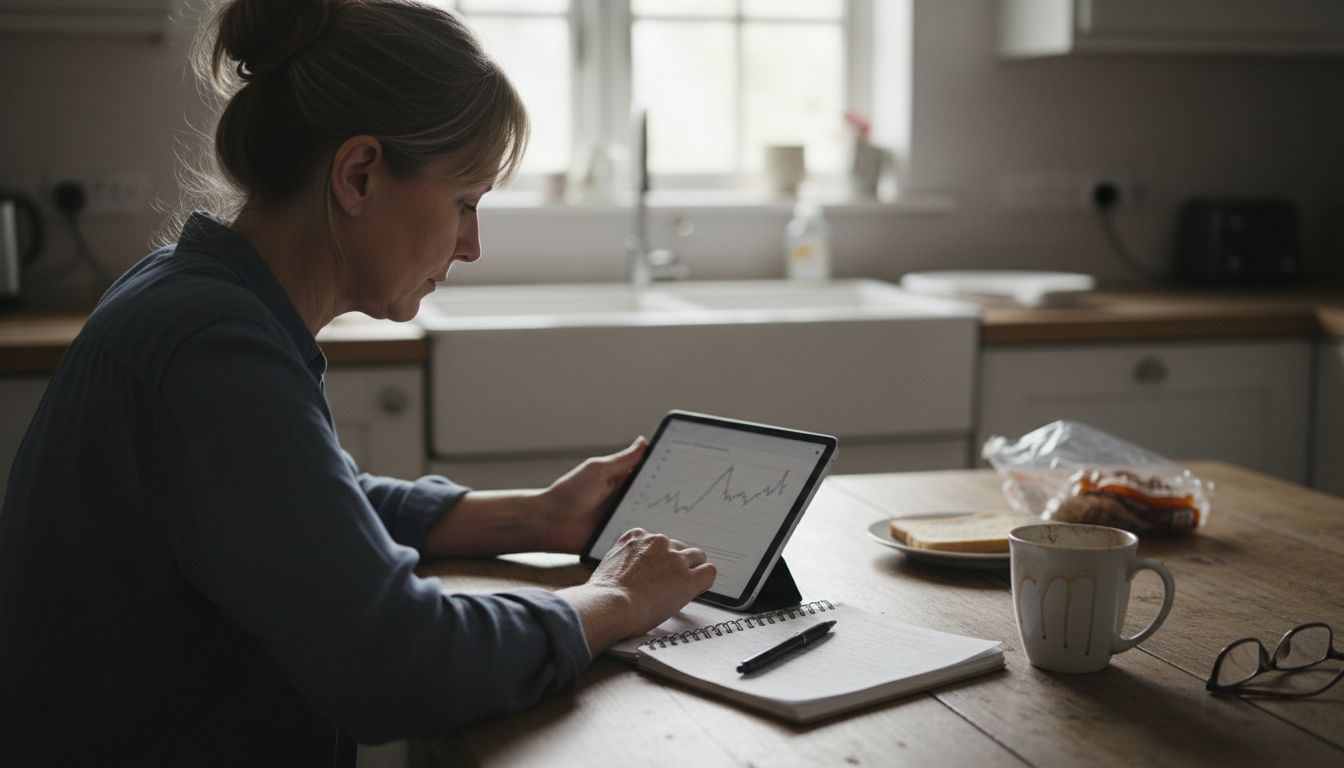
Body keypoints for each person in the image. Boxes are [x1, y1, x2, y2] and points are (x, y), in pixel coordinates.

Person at [0, 0, 716, 763]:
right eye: (464, 203)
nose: (471, 245)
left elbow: (296, 506)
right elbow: (400, 662)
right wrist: (613, 600)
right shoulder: (215, 348)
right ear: (359, 175)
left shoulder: (184, 291)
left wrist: (535, 518)